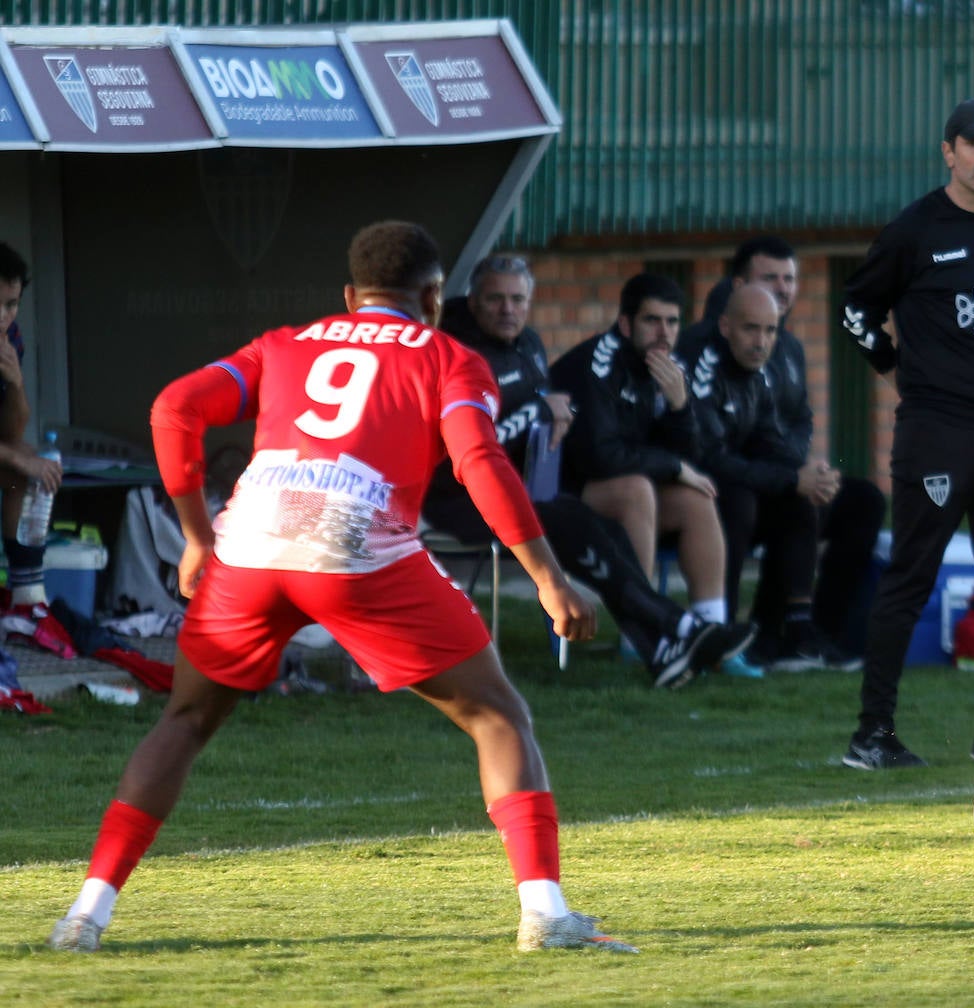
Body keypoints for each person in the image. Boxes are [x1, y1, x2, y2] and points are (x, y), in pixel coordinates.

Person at [48, 221, 636, 953]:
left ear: (350, 296)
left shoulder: (285, 344)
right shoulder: (450, 357)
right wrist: (548, 577)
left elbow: (174, 408)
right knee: (496, 714)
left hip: (254, 535)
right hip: (355, 540)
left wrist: (198, 536)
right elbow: (479, 460)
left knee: (185, 722)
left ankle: (85, 915)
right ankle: (546, 915)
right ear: (433, 296)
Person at [837, 98, 974, 771]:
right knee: (910, 578)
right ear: (949, 152)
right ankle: (871, 735)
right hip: (935, 434)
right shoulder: (915, 230)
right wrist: (897, 369)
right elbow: (855, 309)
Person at [422, 254, 754, 688]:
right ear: (474, 300)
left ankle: (665, 647)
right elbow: (470, 447)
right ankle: (678, 631)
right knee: (580, 522)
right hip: (462, 498)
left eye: (517, 300)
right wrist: (541, 409)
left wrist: (676, 409)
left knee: (603, 531)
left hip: (522, 490)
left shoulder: (530, 343)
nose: (508, 309)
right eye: (496, 299)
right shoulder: (457, 353)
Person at [680, 236, 886, 669]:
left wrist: (805, 471)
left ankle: (812, 633)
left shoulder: (787, 346)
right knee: (751, 501)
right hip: (722, 485)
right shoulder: (708, 349)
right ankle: (740, 633)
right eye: (769, 278)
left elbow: (797, 420)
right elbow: (711, 450)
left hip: (770, 474)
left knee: (862, 500)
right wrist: (793, 476)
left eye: (788, 279)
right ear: (739, 288)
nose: (781, 288)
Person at [549, 273, 740, 659]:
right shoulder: (598, 364)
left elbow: (690, 460)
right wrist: (671, 466)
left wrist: (679, 406)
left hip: (626, 487)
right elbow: (599, 459)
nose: (664, 333)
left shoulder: (668, 367)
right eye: (652, 321)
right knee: (636, 490)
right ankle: (643, 632)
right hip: (564, 492)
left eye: (672, 322)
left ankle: (714, 634)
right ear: (625, 324)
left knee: (695, 497)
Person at [0, 242, 70, 656]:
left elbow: (12, 429)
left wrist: (15, 382)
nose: (4, 317)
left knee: (28, 463)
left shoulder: (11, 338)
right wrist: (14, 455)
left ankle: (25, 596)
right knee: (18, 458)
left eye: (11, 305)